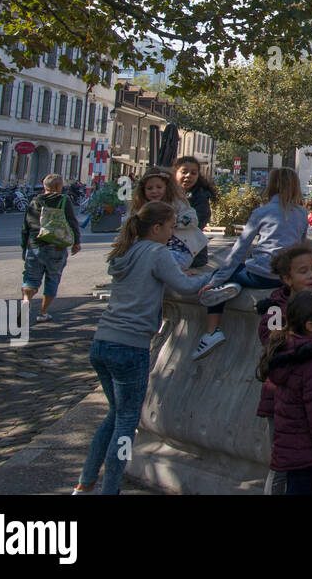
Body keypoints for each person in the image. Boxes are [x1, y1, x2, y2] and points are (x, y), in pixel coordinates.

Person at [76, 201, 209, 494]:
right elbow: (184, 287)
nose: (173, 233)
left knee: (114, 416)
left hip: (103, 341)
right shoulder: (157, 252)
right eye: (171, 227)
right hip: (130, 345)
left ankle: (85, 484)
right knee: (126, 423)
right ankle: (109, 489)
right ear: (157, 228)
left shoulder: (128, 251)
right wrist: (214, 278)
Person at [255, 244, 312, 493]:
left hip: (307, 393)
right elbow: (269, 338)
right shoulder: (276, 305)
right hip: (279, 395)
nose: (311, 276)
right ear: (287, 279)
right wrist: (300, 330)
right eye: (303, 271)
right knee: (281, 462)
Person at [193, 168, 309, 360]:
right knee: (237, 271)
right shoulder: (302, 214)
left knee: (222, 275)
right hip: (283, 279)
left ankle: (212, 331)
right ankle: (234, 284)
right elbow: (303, 248)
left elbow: (239, 249)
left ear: (271, 185)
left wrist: (216, 280)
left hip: (259, 275)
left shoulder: (262, 212)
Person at [20, 174, 82, 323]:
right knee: (52, 278)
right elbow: (72, 222)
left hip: (35, 244)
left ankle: (26, 301)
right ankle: (43, 312)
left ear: (44, 186)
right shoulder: (64, 200)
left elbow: (26, 226)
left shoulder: (35, 201)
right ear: (57, 187)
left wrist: (24, 247)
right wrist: (76, 242)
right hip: (57, 246)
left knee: (31, 278)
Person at [130, 169, 205, 269]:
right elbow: (132, 227)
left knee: (163, 262)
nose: (154, 191)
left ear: (167, 187)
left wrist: (172, 223)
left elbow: (192, 219)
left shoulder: (177, 203)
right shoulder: (142, 208)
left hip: (178, 249)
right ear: (143, 190)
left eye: (159, 187)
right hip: (152, 250)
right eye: (149, 188)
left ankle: (176, 275)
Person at [173, 156, 217, 270]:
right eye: (184, 172)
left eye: (193, 173)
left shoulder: (200, 196)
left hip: (192, 252)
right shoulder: (167, 193)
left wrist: (172, 224)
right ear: (175, 173)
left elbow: (198, 220)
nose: (188, 176)